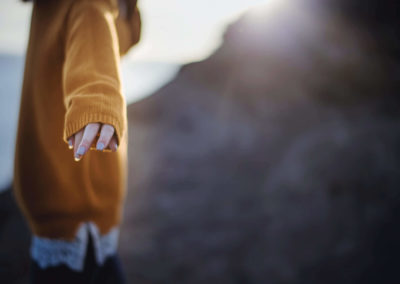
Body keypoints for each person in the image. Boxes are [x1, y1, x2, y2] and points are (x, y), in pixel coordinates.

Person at [13, 0, 141, 282]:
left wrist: (126, 6)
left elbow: (120, 37)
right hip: (69, 213)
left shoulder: (56, 9)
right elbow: (93, 35)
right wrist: (98, 101)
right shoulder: (87, 5)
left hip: (84, 211)